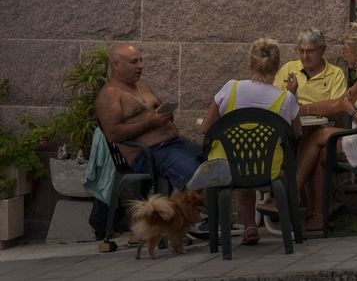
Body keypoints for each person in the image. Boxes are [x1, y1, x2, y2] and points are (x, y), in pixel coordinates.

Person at [294, 19, 357, 232]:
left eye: (346, 50)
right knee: (319, 151)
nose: (344, 54)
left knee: (316, 136)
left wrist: (351, 110)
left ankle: (290, 195)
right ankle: (315, 214)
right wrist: (300, 109)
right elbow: (337, 103)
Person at [198, 38, 303, 246]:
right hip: (268, 168)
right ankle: (256, 226)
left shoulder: (231, 88)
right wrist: (291, 95)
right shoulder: (285, 98)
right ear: (277, 66)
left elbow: (205, 128)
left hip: (229, 166)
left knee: (241, 161)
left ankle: (249, 225)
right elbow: (296, 133)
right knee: (252, 162)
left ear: (251, 63)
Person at [94, 43, 200, 193]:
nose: (141, 65)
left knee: (215, 164)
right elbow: (113, 134)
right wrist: (149, 123)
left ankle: (196, 205)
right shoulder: (109, 94)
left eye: (141, 60)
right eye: (134, 62)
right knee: (196, 178)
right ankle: (188, 206)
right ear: (116, 65)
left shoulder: (143, 86)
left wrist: (166, 115)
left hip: (176, 144)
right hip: (148, 154)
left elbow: (157, 111)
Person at [273, 28, 347, 111]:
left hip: (319, 119)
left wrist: (302, 109)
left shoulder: (336, 74)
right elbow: (273, 99)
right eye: (301, 51)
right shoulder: (289, 67)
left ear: (323, 50)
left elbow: (337, 107)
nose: (305, 57)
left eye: (310, 51)